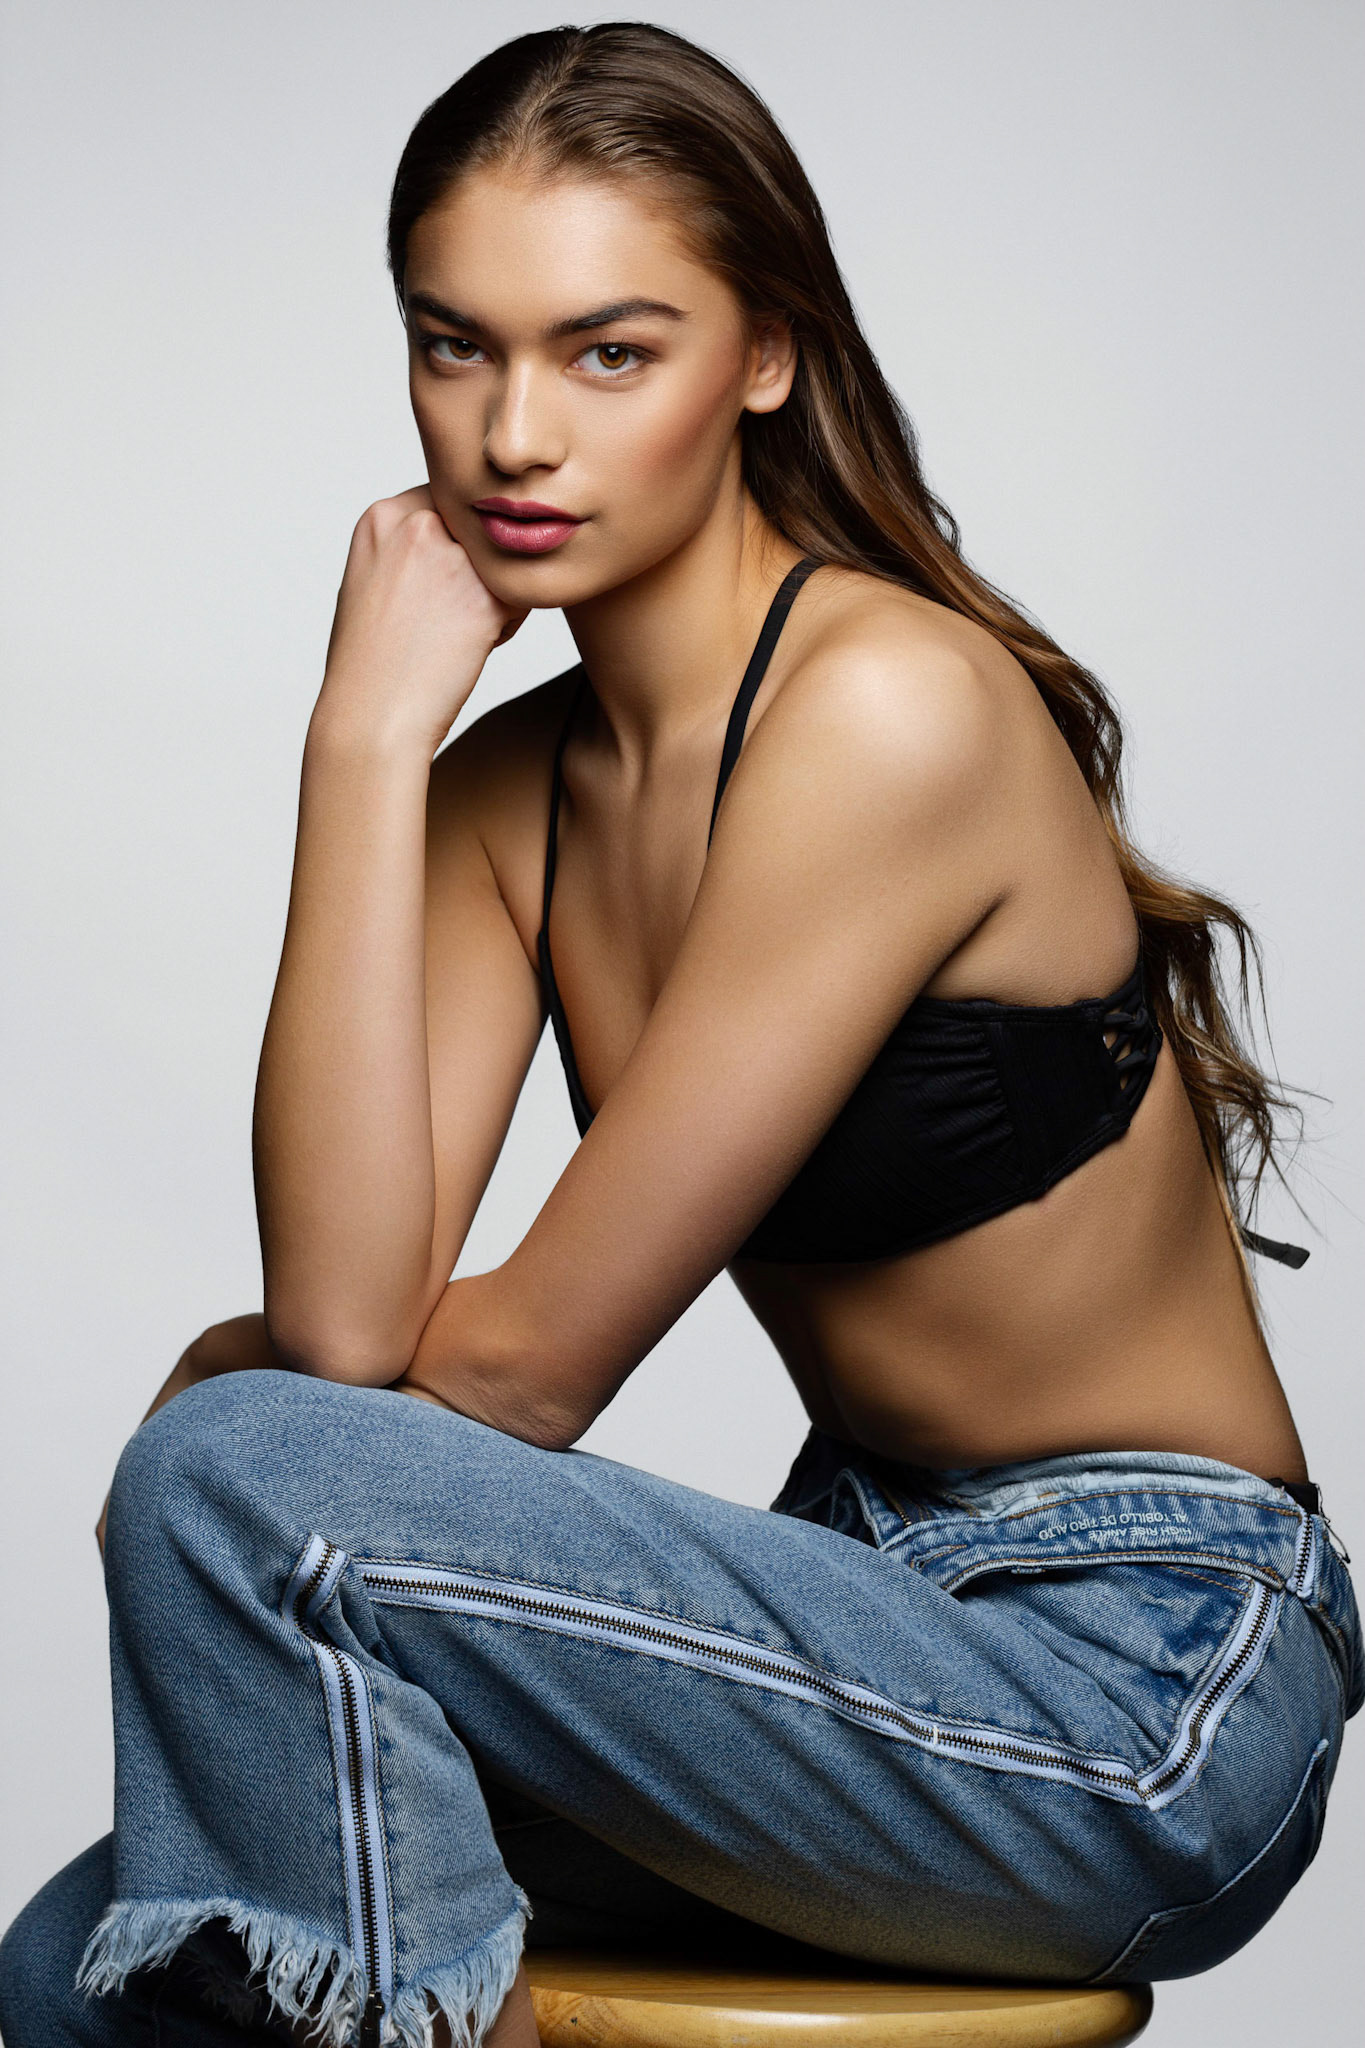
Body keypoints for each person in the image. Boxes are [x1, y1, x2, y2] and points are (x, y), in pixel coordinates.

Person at [1, 21, 1358, 2048]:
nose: (512, 434)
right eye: (455, 347)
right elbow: (355, 1321)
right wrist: (362, 739)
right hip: (864, 1610)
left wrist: (228, 1395)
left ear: (763, 355)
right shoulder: (507, 796)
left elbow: (519, 1372)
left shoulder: (886, 709)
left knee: (233, 1469)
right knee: (90, 1958)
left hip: (1133, 1673)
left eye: (606, 353)